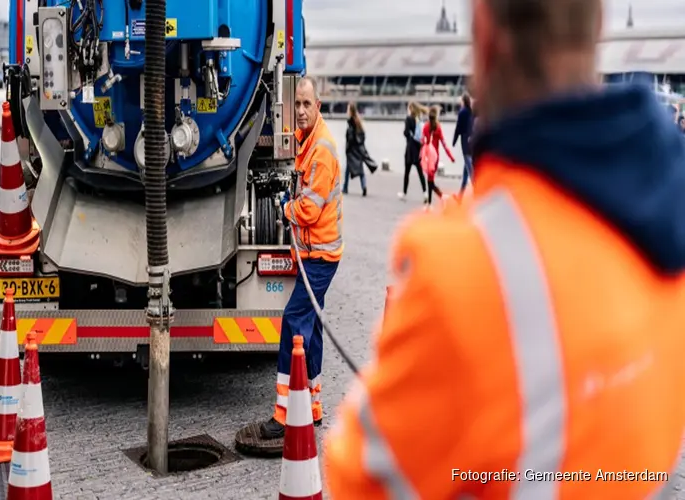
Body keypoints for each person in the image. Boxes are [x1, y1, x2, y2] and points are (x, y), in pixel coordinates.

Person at [325, 0, 685, 498]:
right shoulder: (665, 210)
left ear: (486, 38)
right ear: (598, 24)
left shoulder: (465, 267)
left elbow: (358, 480)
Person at [260, 76, 343, 439]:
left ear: (318, 106)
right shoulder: (306, 141)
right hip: (317, 253)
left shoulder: (321, 149)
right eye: (297, 104)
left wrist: (285, 209)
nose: (301, 110)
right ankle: (312, 405)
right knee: (312, 328)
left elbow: (309, 209)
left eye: (308, 104)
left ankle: (284, 413)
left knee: (294, 322)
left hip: (321, 257)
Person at [420, 105, 455, 209]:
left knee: (430, 181)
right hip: (435, 158)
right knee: (430, 180)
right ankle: (431, 203)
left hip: (427, 158)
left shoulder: (425, 127)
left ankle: (441, 197)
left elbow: (422, 141)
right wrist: (451, 156)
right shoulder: (438, 128)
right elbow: (444, 144)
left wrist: (420, 155)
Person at [398, 102, 428, 203]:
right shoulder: (418, 119)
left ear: (410, 108)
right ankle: (425, 193)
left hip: (410, 149)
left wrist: (406, 133)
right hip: (418, 149)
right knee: (420, 173)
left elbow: (406, 132)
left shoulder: (408, 119)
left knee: (407, 172)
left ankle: (404, 193)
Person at [343, 102, 369, 196]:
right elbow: (362, 135)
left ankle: (345, 188)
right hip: (358, 150)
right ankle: (364, 186)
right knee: (360, 170)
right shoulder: (358, 121)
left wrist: (347, 148)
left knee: (347, 169)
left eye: (347, 109)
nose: (346, 111)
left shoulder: (350, 121)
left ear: (350, 111)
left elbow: (350, 137)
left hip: (351, 150)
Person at [453, 92, 475, 200]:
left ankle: (478, 192)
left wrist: (454, 140)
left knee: (470, 169)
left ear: (463, 101)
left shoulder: (462, 112)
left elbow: (458, 128)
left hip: (465, 144)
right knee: (466, 170)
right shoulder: (471, 112)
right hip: (471, 142)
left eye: (461, 100)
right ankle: (460, 196)